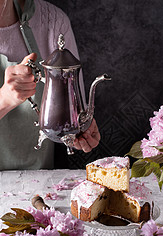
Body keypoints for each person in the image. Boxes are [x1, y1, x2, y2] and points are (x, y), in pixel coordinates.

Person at [0, 0, 100, 170]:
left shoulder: (53, 22)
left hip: (36, 183)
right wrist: (3, 99)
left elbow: (72, 113)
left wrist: (77, 130)